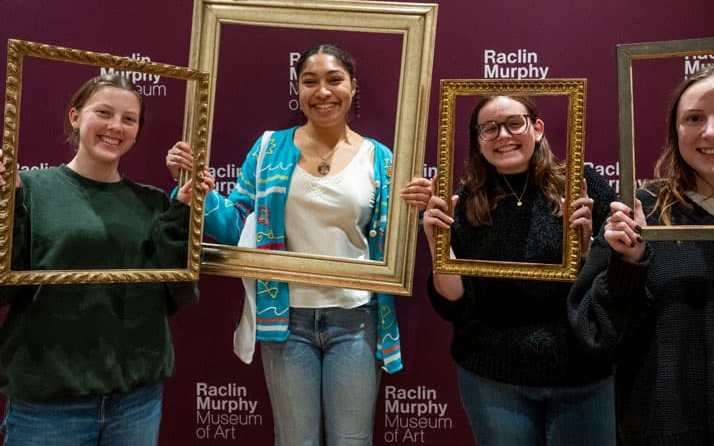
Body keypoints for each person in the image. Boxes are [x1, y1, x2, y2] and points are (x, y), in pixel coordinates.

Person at [167, 43, 426, 446]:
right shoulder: (269, 148)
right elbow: (239, 228)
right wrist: (196, 193)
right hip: (287, 322)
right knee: (294, 441)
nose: (323, 91)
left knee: (352, 441)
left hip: (355, 320)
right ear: (298, 90)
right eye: (310, 82)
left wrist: (418, 210)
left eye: (334, 79)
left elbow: (395, 246)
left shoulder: (381, 159)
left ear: (353, 87)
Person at [567, 62, 714, 445]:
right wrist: (628, 265)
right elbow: (597, 338)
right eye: (693, 118)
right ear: (676, 132)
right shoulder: (639, 215)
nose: (710, 132)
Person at [0, 73, 212, 446]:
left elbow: (180, 293)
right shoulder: (30, 190)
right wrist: (7, 206)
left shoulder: (155, 204)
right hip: (49, 405)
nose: (116, 126)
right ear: (75, 116)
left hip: (135, 402)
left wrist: (184, 211)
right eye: (104, 112)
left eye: (129, 119)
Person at [421, 94, 617, 445]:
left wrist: (589, 251)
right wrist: (440, 248)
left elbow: (617, 288)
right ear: (478, 140)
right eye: (489, 128)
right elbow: (454, 304)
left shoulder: (582, 186)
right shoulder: (465, 202)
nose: (503, 135)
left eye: (514, 123)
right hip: (493, 378)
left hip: (583, 376)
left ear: (537, 128)